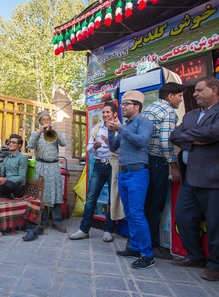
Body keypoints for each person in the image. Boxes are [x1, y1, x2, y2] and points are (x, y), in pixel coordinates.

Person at [170, 76, 219, 281]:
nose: (194, 94)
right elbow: (175, 135)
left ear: (214, 90)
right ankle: (195, 256)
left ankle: (217, 265)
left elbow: (215, 133)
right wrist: (198, 138)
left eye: (199, 90)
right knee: (183, 218)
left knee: (217, 224)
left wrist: (193, 137)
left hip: (216, 179)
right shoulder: (191, 116)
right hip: (190, 178)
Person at [107, 90, 155, 270]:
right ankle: (135, 247)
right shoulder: (125, 125)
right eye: (123, 103)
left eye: (126, 104)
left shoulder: (143, 122)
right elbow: (113, 146)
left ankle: (147, 255)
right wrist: (111, 131)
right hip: (124, 173)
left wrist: (119, 129)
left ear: (137, 106)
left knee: (136, 213)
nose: (123, 106)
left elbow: (142, 142)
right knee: (129, 212)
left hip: (137, 173)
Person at [141, 82, 185, 259]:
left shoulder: (148, 109)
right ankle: (153, 244)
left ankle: (140, 241)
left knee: (144, 203)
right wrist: (173, 165)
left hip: (144, 160)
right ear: (170, 96)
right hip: (157, 161)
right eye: (180, 96)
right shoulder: (168, 112)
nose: (181, 100)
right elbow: (166, 142)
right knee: (155, 204)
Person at [69, 102, 118, 242]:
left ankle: (108, 230)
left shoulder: (119, 129)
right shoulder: (97, 129)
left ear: (114, 114)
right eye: (103, 112)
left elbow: (122, 151)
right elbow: (89, 149)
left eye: (108, 112)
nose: (105, 115)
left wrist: (110, 144)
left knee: (112, 199)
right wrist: (95, 147)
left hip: (112, 165)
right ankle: (84, 229)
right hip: (98, 165)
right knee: (91, 199)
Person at [28, 110, 67, 233]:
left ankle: (57, 222)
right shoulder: (36, 134)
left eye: (48, 119)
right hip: (41, 166)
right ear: (40, 122)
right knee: (42, 193)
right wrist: (39, 132)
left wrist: (55, 131)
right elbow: (29, 145)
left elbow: (64, 143)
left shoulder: (54, 133)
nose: (46, 122)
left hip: (53, 166)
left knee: (55, 192)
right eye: (43, 120)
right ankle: (43, 221)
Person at [0, 134, 28, 199]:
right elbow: (1, 175)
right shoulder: (7, 158)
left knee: (8, 185)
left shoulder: (22, 158)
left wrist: (6, 179)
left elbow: (22, 178)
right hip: (6, 185)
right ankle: (6, 195)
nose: (10, 144)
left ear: (19, 145)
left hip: (17, 187)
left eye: (13, 142)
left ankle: (1, 194)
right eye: (10, 142)